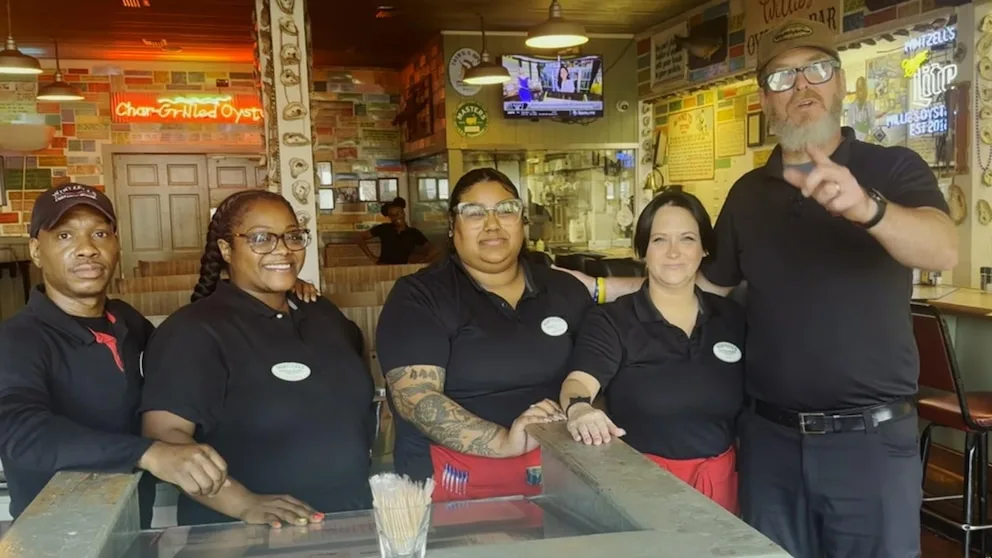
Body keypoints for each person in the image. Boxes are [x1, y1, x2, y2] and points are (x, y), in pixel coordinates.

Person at [561, 18, 959, 558]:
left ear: (841, 83)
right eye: (781, 77)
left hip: (868, 442)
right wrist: (601, 289)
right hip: (769, 442)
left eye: (817, 70)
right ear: (765, 99)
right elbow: (700, 284)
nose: (802, 87)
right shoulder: (748, 194)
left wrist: (868, 209)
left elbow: (943, 250)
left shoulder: (890, 168)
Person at [140, 189, 376, 527]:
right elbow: (165, 436)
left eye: (293, 236)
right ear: (226, 249)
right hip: (248, 535)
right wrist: (242, 503)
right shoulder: (193, 331)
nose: (282, 249)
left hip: (350, 523)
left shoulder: (321, 313)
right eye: (261, 238)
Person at [0, 183, 229, 526]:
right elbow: (22, 434)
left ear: (116, 244)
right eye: (65, 236)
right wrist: (148, 453)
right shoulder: (18, 339)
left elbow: (181, 373)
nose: (87, 249)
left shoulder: (127, 321)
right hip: (54, 534)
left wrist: (280, 297)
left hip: (135, 525)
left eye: (100, 234)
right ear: (36, 250)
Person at [376, 168, 594, 502]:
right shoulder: (420, 296)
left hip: (563, 473)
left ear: (522, 220)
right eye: (474, 213)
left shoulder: (563, 289)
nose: (492, 224)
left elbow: (597, 368)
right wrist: (503, 442)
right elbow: (416, 398)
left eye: (505, 210)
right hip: (457, 481)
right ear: (453, 226)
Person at [560, 191, 743, 514]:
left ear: (705, 248)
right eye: (659, 240)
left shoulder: (731, 318)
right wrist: (579, 409)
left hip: (721, 489)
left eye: (687, 238)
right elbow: (579, 382)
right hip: (642, 488)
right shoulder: (613, 320)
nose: (674, 252)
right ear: (643, 251)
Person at [359, 197, 438, 265]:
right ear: (389, 217)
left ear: (404, 213)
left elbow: (434, 249)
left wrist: (423, 262)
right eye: (392, 215)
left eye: (399, 213)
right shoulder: (384, 229)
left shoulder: (413, 233)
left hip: (404, 270)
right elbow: (360, 237)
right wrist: (372, 258)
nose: (397, 217)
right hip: (384, 268)